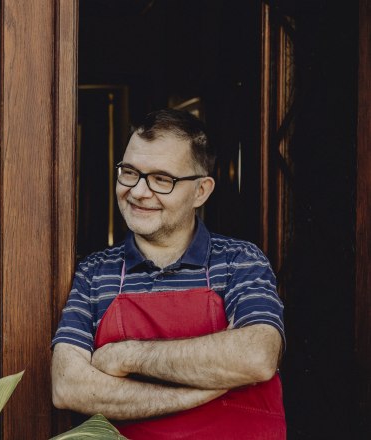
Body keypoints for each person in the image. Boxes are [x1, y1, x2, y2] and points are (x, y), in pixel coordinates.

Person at [51, 109, 286, 439]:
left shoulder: (239, 261)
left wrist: (126, 355)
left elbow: (256, 355)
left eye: (162, 179)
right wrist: (192, 394)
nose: (138, 192)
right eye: (130, 172)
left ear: (201, 191)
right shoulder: (95, 273)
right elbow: (69, 386)